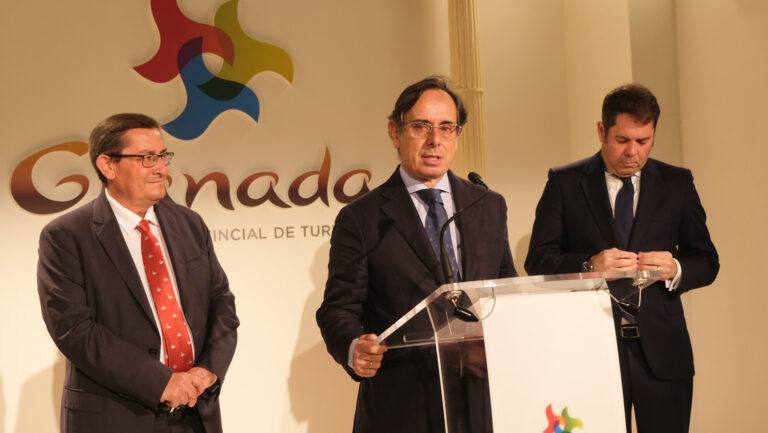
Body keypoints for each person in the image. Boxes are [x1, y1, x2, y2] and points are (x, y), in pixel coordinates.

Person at [316, 76, 517, 433]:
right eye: (421, 126)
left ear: (457, 134)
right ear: (395, 132)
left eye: (446, 127)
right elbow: (338, 309)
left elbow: (506, 290)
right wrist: (353, 347)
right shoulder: (361, 218)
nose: (435, 140)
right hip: (402, 405)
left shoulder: (487, 204)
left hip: (481, 399)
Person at [525, 84, 719, 433]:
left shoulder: (677, 183)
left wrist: (675, 268)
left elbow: (706, 261)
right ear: (602, 130)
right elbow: (538, 261)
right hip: (589, 350)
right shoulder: (564, 182)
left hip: (663, 353)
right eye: (622, 140)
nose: (632, 151)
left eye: (643, 141)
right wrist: (589, 266)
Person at [37, 113, 239, 433]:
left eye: (162, 156)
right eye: (147, 158)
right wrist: (160, 382)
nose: (161, 169)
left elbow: (222, 304)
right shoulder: (66, 236)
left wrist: (208, 370)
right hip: (115, 416)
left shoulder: (189, 224)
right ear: (107, 165)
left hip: (194, 412)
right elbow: (73, 329)